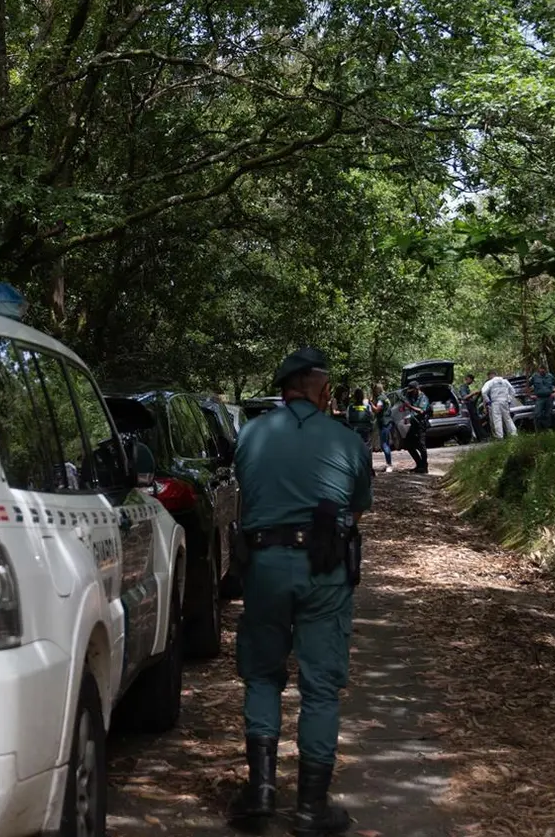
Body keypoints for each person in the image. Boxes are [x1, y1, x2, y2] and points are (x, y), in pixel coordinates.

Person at [228, 347, 371, 835]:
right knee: (320, 685)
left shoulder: (250, 434)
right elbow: (357, 506)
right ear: (324, 390)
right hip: (324, 568)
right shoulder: (348, 440)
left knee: (264, 675)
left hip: (264, 565)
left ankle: (262, 791)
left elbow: (247, 492)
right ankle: (311, 808)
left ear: (284, 389)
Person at [399, 380, 430, 474]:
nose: (411, 392)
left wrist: (409, 406)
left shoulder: (423, 398)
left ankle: (424, 466)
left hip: (421, 424)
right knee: (407, 444)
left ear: (417, 389)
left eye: (412, 390)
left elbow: (421, 411)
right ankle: (419, 464)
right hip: (413, 424)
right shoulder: (412, 396)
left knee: (422, 446)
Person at [480, 370, 516, 439]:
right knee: (508, 418)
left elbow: (483, 392)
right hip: (505, 402)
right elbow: (513, 391)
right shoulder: (505, 381)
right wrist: (509, 399)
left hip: (495, 403)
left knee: (497, 419)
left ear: (490, 375)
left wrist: (488, 402)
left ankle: (500, 436)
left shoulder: (490, 382)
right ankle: (514, 434)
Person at [530, 363, 555, 431]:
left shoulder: (550, 376)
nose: (542, 371)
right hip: (539, 398)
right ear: (538, 370)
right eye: (540, 369)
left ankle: (547, 429)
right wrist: (530, 395)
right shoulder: (534, 377)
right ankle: (538, 430)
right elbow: (527, 385)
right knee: (537, 414)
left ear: (545, 370)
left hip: (549, 397)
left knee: (548, 414)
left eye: (543, 369)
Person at [456, 371, 481, 436]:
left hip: (471, 406)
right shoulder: (463, 387)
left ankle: (479, 435)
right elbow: (464, 397)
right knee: (474, 421)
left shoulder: (467, 387)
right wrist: (473, 393)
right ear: (468, 379)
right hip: (467, 406)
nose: (472, 382)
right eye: (471, 380)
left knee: (476, 421)